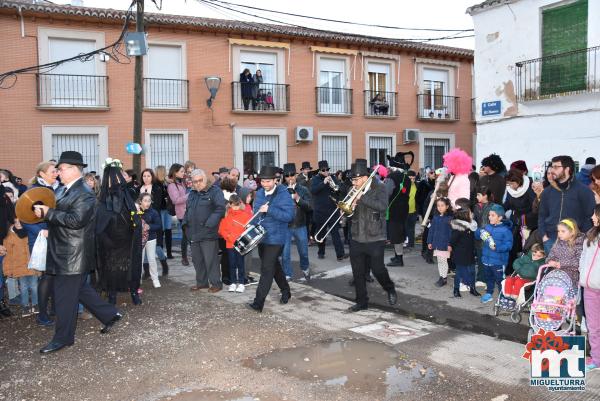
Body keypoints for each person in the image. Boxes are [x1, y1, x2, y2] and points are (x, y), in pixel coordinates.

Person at [33, 151, 121, 354]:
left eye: (61, 169)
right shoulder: (65, 189)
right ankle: (110, 315)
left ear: (74, 169)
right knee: (80, 290)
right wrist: (44, 213)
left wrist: (49, 213)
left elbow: (75, 220)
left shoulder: (83, 192)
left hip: (72, 255)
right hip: (65, 251)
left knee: (64, 297)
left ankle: (63, 339)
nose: (57, 173)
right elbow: (63, 215)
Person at [345, 162, 397, 312]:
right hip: (356, 235)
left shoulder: (380, 187)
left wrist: (362, 198)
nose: (353, 183)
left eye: (356, 180)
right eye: (352, 180)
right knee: (357, 271)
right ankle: (362, 302)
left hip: (375, 236)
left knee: (378, 269)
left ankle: (390, 288)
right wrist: (350, 209)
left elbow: (382, 207)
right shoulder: (352, 189)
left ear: (365, 177)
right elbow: (348, 214)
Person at [246, 166, 295, 312]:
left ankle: (258, 303)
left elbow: (289, 216)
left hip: (277, 238)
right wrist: (250, 226)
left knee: (267, 269)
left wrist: (270, 210)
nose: (265, 184)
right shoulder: (260, 193)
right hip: (262, 236)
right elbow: (256, 213)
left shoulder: (284, 194)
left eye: (268, 181)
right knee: (274, 266)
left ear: (275, 180)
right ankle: (286, 290)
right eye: (263, 181)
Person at [96, 158, 142, 305]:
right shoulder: (103, 199)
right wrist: (105, 240)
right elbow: (99, 224)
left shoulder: (126, 195)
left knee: (130, 267)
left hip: (128, 240)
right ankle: (112, 294)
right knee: (112, 269)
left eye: (120, 174)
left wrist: (136, 227)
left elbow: (134, 215)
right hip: (110, 242)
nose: (119, 178)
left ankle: (134, 291)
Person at [538, 155, 595, 254]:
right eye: (552, 166)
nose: (552, 170)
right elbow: (542, 215)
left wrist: (582, 238)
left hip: (574, 242)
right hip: (551, 240)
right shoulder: (547, 192)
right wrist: (544, 236)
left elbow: (589, 216)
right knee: (552, 269)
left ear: (567, 169)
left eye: (556, 167)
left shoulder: (583, 191)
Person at [183, 169, 226, 293]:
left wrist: (209, 224)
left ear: (205, 179)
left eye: (199, 181)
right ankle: (202, 283)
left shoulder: (214, 191)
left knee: (211, 259)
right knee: (197, 260)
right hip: (193, 232)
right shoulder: (192, 194)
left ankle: (216, 283)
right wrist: (185, 225)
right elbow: (188, 210)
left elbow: (220, 209)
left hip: (208, 232)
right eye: (194, 181)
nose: (197, 184)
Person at [475, 204, 513, 304]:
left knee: (500, 279)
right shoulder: (487, 227)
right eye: (489, 215)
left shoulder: (505, 230)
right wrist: (479, 231)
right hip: (487, 260)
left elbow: (509, 245)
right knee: (489, 278)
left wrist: (498, 248)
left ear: (500, 217)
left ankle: (503, 296)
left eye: (492, 215)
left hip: (499, 261)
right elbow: (478, 236)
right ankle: (489, 293)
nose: (489, 217)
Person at [2, 218, 40, 316]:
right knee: (23, 287)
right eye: (16, 222)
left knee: (34, 286)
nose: (18, 224)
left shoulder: (30, 232)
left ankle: (36, 304)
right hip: (20, 267)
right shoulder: (9, 236)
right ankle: (25, 306)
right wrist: (8, 269)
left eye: (20, 221)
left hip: (32, 266)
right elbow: (8, 255)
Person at [311, 160, 346, 261]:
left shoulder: (333, 177)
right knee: (321, 233)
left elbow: (339, 191)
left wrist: (336, 187)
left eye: (327, 169)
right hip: (320, 211)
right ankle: (321, 251)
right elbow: (313, 191)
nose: (326, 171)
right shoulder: (315, 179)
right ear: (319, 171)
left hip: (332, 210)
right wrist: (324, 183)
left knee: (335, 233)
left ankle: (340, 254)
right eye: (323, 170)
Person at [282, 163, 312, 281]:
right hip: (285, 225)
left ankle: (305, 268)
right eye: (287, 176)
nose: (290, 178)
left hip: (300, 225)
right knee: (285, 254)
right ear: (284, 177)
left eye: (292, 175)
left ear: (296, 175)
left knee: (303, 252)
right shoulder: (280, 190)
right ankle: (287, 274)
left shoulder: (303, 189)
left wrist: (298, 198)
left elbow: (310, 207)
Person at [579, 204, 600, 372]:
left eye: (595, 214)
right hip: (589, 289)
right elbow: (583, 259)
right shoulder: (590, 237)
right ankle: (596, 358)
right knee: (593, 326)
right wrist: (582, 274)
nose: (592, 217)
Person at [503, 169, 536, 275]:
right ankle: (511, 271)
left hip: (529, 222)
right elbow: (507, 204)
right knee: (512, 247)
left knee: (527, 248)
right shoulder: (510, 190)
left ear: (518, 180)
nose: (511, 186)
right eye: (509, 183)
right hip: (516, 221)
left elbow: (535, 208)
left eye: (512, 183)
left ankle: (527, 272)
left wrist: (525, 218)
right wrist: (499, 209)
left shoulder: (530, 188)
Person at [138, 169, 169, 278]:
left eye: (148, 176)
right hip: (141, 221)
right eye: (144, 176)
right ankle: (146, 271)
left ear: (152, 177)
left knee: (157, 246)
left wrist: (148, 216)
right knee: (143, 245)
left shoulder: (157, 188)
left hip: (153, 219)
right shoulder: (139, 188)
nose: (146, 178)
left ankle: (164, 264)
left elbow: (157, 205)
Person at [218, 194, 252, 292]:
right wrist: (228, 236)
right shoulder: (226, 215)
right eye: (234, 205)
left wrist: (248, 227)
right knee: (231, 264)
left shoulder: (245, 215)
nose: (236, 207)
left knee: (241, 263)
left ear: (240, 204)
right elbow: (221, 230)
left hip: (240, 244)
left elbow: (249, 228)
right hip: (230, 243)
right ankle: (233, 282)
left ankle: (241, 283)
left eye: (237, 205)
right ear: (230, 204)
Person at [386, 152, 413, 267]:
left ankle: (399, 259)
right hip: (403, 209)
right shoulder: (406, 178)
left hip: (394, 210)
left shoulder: (392, 177)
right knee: (399, 234)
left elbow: (386, 193)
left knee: (395, 235)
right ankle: (397, 256)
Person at [448, 198, 480, 298]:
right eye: (470, 212)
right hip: (460, 254)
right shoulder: (459, 227)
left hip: (470, 252)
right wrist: (449, 246)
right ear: (464, 214)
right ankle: (456, 290)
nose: (472, 214)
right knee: (459, 273)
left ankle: (472, 288)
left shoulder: (472, 225)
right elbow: (453, 240)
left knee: (472, 271)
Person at [547, 218, 585, 288]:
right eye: (558, 231)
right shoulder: (557, 243)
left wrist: (561, 264)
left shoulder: (579, 244)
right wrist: (550, 261)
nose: (559, 234)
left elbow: (579, 261)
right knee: (552, 296)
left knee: (563, 298)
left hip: (571, 279)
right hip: (556, 277)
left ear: (572, 232)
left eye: (563, 231)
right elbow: (551, 255)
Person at [138, 193, 162, 288]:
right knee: (139, 260)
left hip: (151, 239)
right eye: (145, 200)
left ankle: (155, 279)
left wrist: (149, 226)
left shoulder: (154, 212)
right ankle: (138, 280)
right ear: (140, 201)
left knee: (152, 259)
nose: (147, 203)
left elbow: (159, 225)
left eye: (149, 200)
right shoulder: (136, 211)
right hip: (139, 239)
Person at [427, 198, 453, 287]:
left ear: (447, 206)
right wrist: (429, 242)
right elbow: (431, 230)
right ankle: (441, 276)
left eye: (442, 205)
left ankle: (444, 278)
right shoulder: (435, 217)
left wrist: (450, 244)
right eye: (438, 205)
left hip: (444, 244)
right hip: (437, 243)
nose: (440, 207)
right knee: (439, 261)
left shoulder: (449, 219)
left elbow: (451, 233)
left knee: (443, 261)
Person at [168, 164, 190, 266]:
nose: (183, 173)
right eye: (181, 171)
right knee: (186, 236)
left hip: (189, 212)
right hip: (182, 214)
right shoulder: (172, 185)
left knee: (188, 235)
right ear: (175, 172)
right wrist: (189, 195)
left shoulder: (182, 183)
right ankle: (184, 257)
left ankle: (187, 256)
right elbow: (176, 200)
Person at [155, 165, 174, 260]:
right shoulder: (156, 184)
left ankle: (169, 253)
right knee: (161, 231)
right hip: (160, 210)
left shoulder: (165, 183)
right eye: (164, 171)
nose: (165, 173)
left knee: (168, 230)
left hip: (166, 209)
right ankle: (161, 253)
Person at [405, 171, 418, 248]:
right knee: (405, 228)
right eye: (410, 178)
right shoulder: (403, 186)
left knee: (411, 228)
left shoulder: (417, 185)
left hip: (414, 211)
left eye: (413, 179)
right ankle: (406, 242)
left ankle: (411, 244)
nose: (412, 180)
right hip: (405, 210)